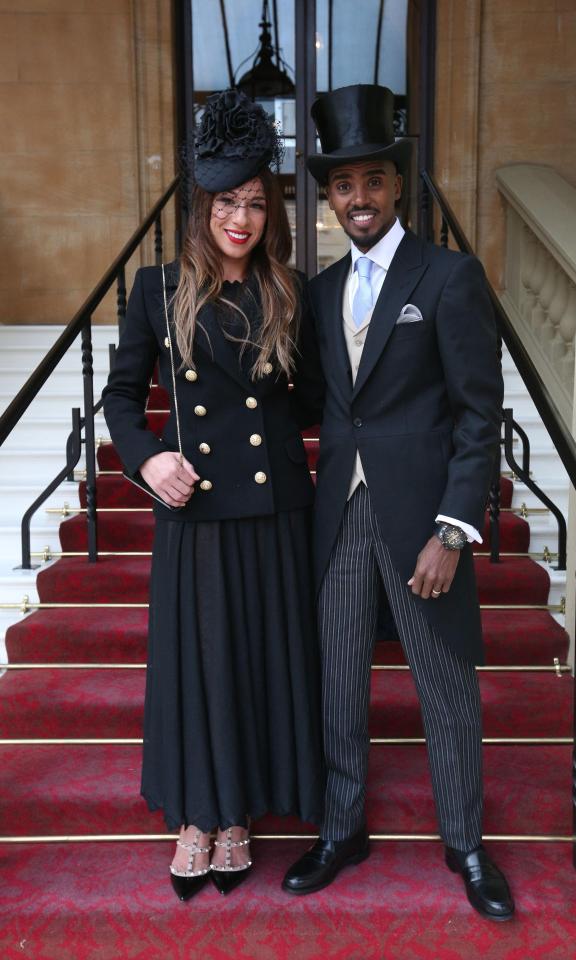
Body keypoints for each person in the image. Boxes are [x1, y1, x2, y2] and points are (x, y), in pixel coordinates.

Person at [282, 84, 514, 922]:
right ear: (330, 196)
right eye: (343, 186)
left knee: (445, 685)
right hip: (338, 518)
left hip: (424, 524)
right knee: (336, 682)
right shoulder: (317, 292)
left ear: (396, 185)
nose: (358, 199)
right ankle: (343, 829)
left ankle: (467, 844)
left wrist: (454, 527)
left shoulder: (449, 277)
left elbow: (477, 413)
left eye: (371, 181)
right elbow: (313, 402)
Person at [103, 89, 324, 902]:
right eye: (228, 201)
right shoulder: (157, 290)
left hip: (276, 514)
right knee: (203, 668)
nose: (242, 218)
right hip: (195, 511)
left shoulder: (291, 292)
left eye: (256, 203)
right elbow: (122, 400)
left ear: (274, 212)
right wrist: (148, 460)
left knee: (261, 664)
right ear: (203, 206)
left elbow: (315, 404)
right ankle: (200, 816)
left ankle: (241, 817)